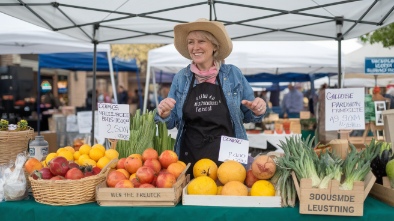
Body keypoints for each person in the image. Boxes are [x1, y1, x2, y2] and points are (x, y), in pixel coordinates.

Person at [154, 18, 267, 175]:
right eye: (190, 42)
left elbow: (250, 114)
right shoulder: (181, 78)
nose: (195, 47)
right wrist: (165, 114)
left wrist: (258, 109)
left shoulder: (233, 74)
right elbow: (170, 121)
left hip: (229, 159)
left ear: (214, 46)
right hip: (190, 157)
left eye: (201, 41)